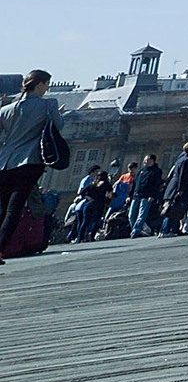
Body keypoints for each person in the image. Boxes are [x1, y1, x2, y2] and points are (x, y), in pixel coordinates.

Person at [0, 71, 63, 268]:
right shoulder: (48, 105)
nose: (48, 89)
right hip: (30, 161)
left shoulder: (5, 109)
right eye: (47, 84)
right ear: (39, 84)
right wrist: (58, 112)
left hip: (4, 163)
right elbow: (58, 126)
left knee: (2, 208)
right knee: (14, 208)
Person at [71, 167, 110, 242]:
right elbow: (110, 195)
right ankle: (91, 237)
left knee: (85, 221)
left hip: (89, 204)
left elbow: (81, 192)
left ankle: (80, 237)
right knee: (95, 221)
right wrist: (107, 200)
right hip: (99, 204)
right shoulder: (106, 184)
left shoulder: (92, 184)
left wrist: (88, 198)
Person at [129, 154, 164, 237]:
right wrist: (130, 195)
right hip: (136, 195)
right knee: (131, 215)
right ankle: (137, 229)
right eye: (144, 160)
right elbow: (135, 184)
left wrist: (153, 195)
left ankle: (135, 231)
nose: (145, 161)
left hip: (147, 196)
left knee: (141, 215)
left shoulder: (156, 171)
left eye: (147, 160)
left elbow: (156, 184)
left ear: (152, 161)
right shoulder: (141, 171)